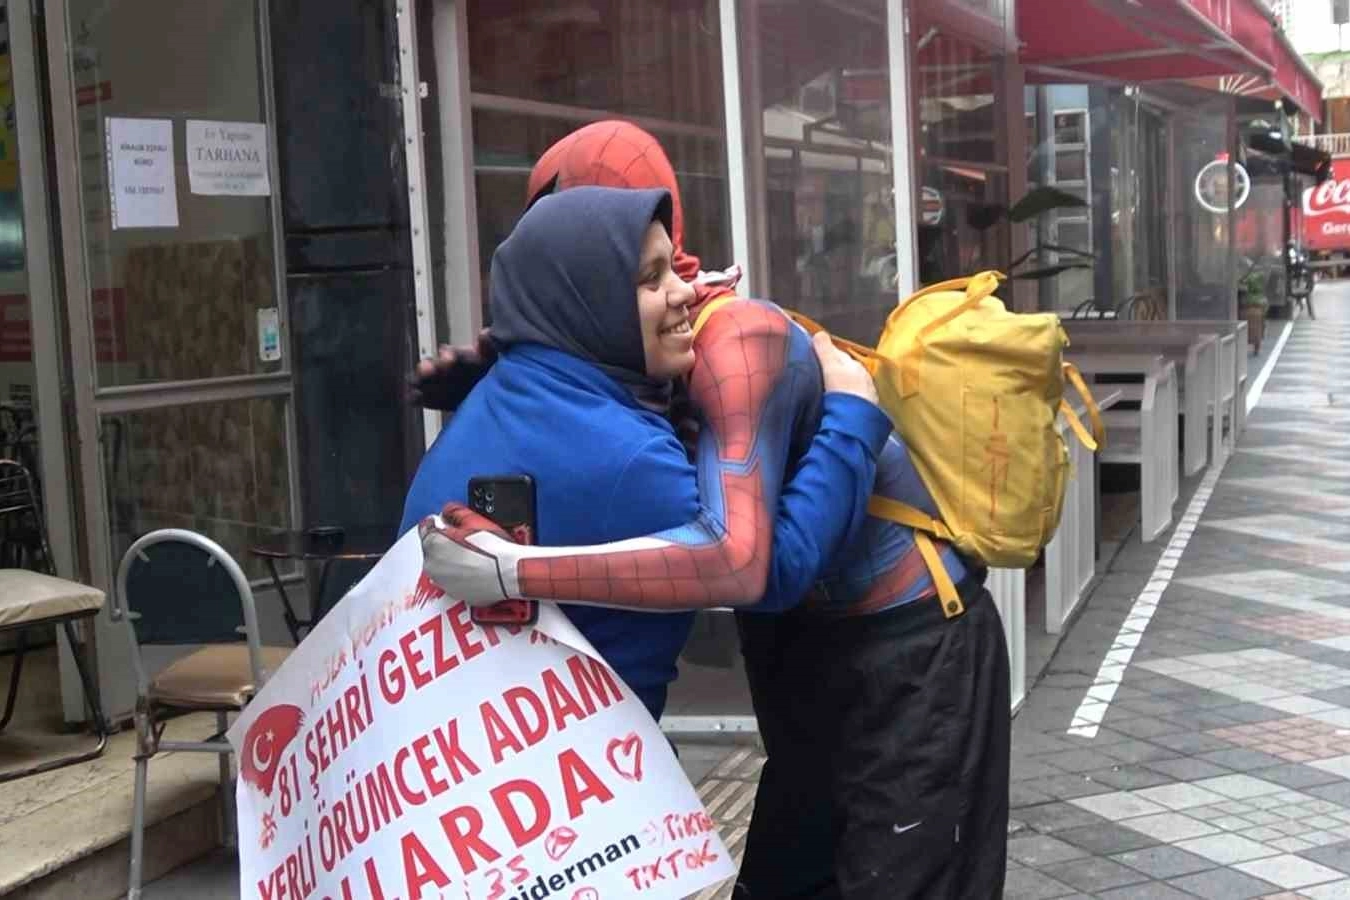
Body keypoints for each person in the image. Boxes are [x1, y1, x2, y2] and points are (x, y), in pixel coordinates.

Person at [415, 121, 1010, 899]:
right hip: (799, 645)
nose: (671, 291)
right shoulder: (609, 361)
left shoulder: (731, 338)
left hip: (905, 639)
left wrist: (853, 416)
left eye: (660, 264)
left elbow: (747, 563)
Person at [399, 183, 891, 724]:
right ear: (592, 301)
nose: (686, 291)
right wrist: (851, 418)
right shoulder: (631, 459)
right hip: (587, 763)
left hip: (454, 751)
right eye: (650, 279)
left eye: (674, 268)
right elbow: (766, 569)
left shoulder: (492, 400)